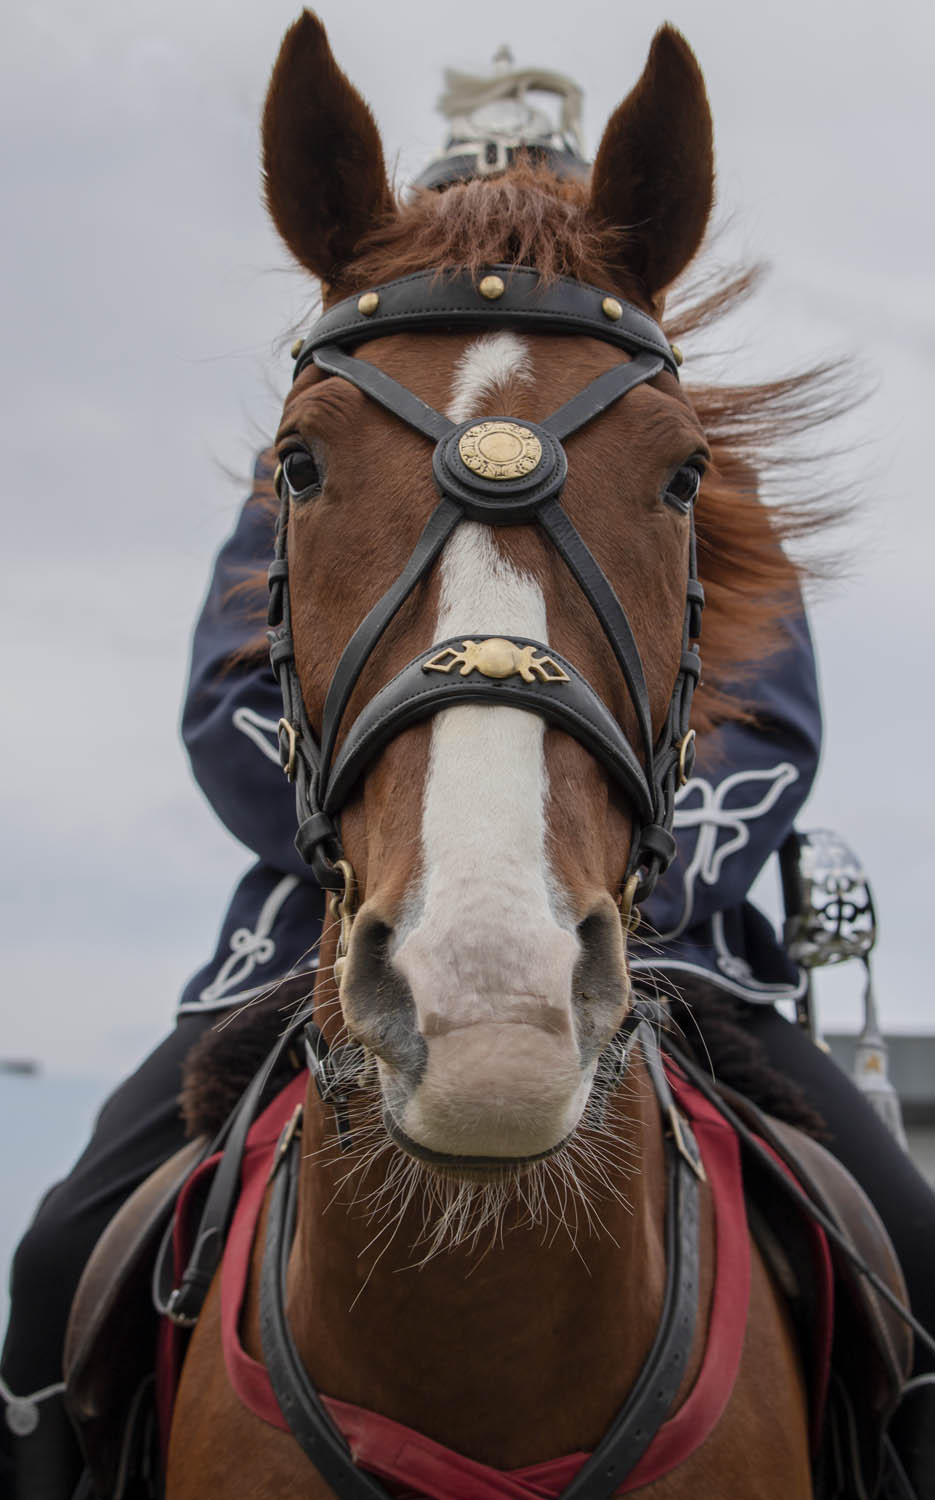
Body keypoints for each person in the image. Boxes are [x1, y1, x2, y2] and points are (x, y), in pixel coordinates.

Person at [3, 59, 933, 1500]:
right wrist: (392, 847)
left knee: (913, 1259)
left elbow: (767, 719)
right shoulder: (320, 457)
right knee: (59, 1263)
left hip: (663, 928)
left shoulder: (688, 470)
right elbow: (228, 702)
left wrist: (630, 875)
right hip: (330, 914)